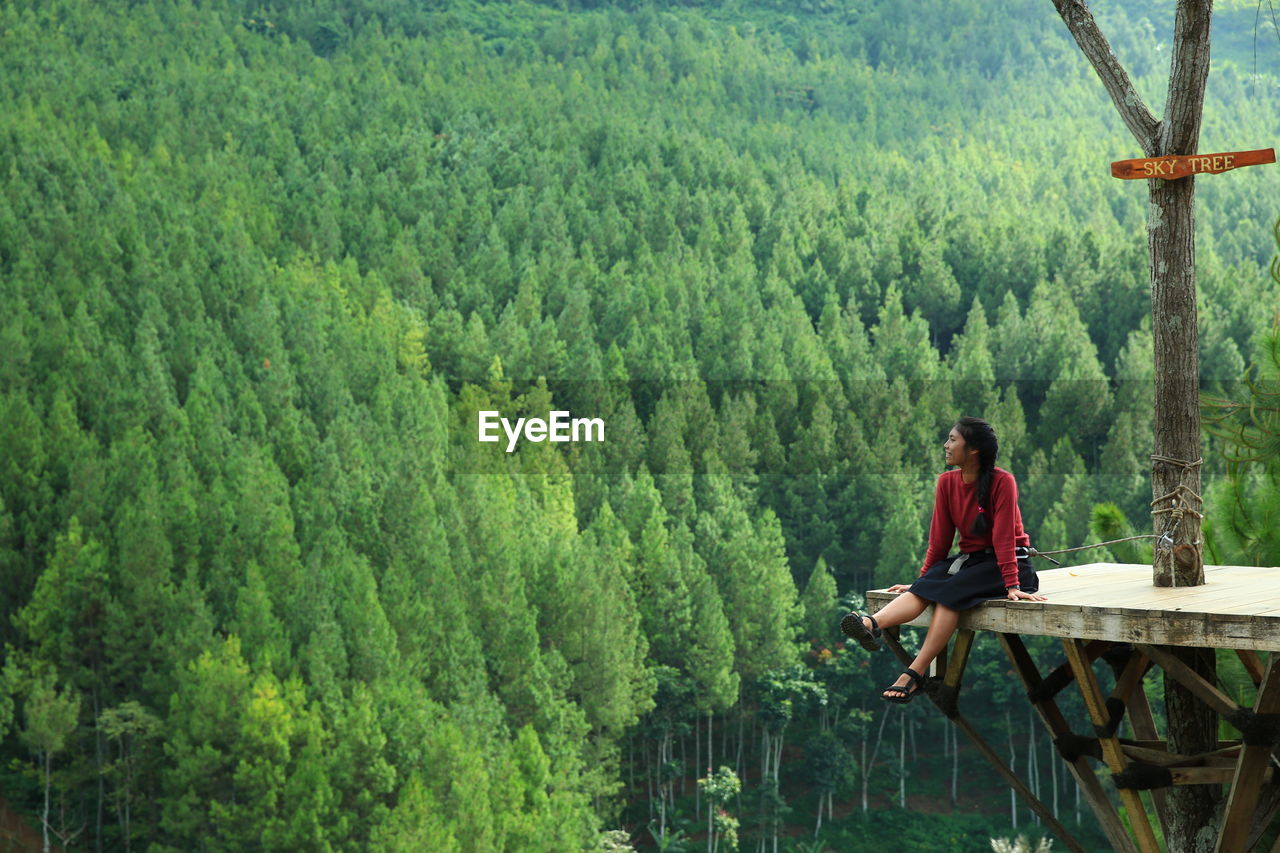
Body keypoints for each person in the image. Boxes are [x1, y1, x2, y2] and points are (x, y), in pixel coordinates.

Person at [841, 416, 1046, 703]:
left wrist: (1012, 585)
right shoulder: (947, 483)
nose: (946, 445)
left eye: (952, 440)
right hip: (972, 563)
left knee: (950, 594)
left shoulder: (1003, 482)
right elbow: (939, 540)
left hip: (1009, 564)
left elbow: (1003, 539)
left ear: (973, 449)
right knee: (925, 588)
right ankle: (870, 624)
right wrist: (922, 580)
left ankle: (913, 673)